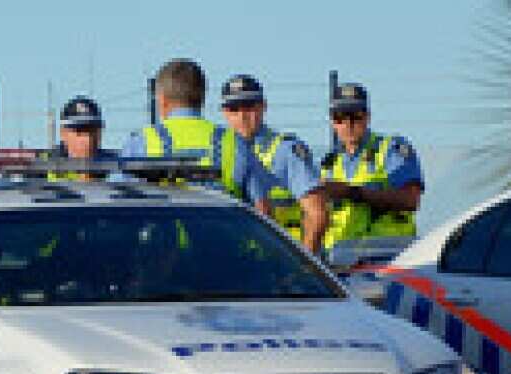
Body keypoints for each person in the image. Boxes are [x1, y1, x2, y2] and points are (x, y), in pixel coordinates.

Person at [121, 58, 275, 214]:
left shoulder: (140, 143)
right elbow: (262, 209)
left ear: (162, 100)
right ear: (202, 98)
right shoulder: (234, 142)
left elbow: (118, 203)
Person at [219, 74, 328, 253]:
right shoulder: (220, 152)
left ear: (263, 107)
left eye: (249, 107)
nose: (242, 116)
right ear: (224, 112)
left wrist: (302, 263)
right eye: (233, 109)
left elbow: (317, 213)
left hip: (283, 259)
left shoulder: (286, 151)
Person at [320, 82, 423, 246]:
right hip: (340, 256)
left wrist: (352, 192)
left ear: (367, 117)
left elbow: (410, 199)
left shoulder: (390, 149)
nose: (348, 124)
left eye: (356, 116)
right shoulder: (329, 165)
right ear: (332, 121)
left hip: (388, 253)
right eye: (340, 117)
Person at [45, 96, 117, 181]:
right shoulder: (44, 166)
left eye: (92, 131)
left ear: (100, 133)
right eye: (79, 132)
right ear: (63, 133)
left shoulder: (115, 167)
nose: (87, 139)